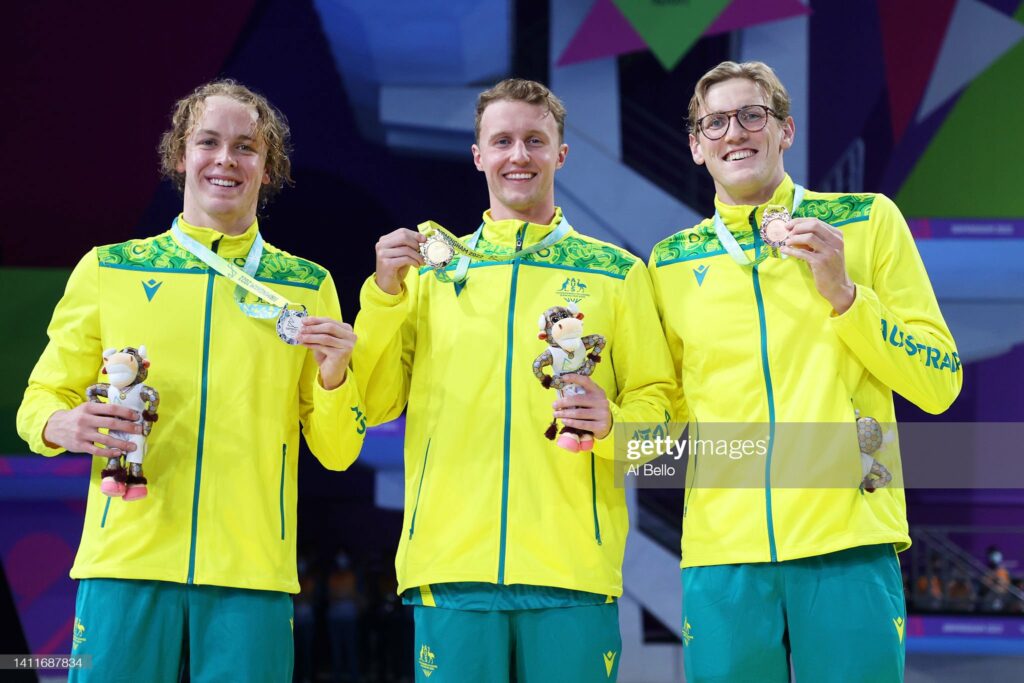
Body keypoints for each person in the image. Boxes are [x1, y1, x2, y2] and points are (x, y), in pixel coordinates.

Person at [16, 80, 364, 682]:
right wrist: (63, 423)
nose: (225, 159)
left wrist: (335, 379)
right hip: (125, 560)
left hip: (250, 571)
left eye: (246, 147)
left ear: (268, 166)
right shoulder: (110, 268)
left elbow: (336, 451)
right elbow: (38, 400)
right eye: (209, 142)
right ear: (181, 155)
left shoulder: (307, 286)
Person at [648, 61, 962, 682]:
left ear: (785, 130)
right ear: (695, 145)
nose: (734, 132)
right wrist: (606, 428)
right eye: (715, 122)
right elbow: (665, 409)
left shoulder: (866, 220)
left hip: (848, 541)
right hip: (723, 555)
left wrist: (847, 296)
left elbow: (940, 381)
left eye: (752, 115)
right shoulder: (669, 262)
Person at [353, 78, 675, 682]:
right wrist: (384, 297)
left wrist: (615, 423)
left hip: (572, 571)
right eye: (502, 141)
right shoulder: (427, 274)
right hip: (450, 569)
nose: (518, 156)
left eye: (535, 140)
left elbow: (661, 413)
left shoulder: (617, 274)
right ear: (478, 155)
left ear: (561, 153)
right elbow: (371, 405)